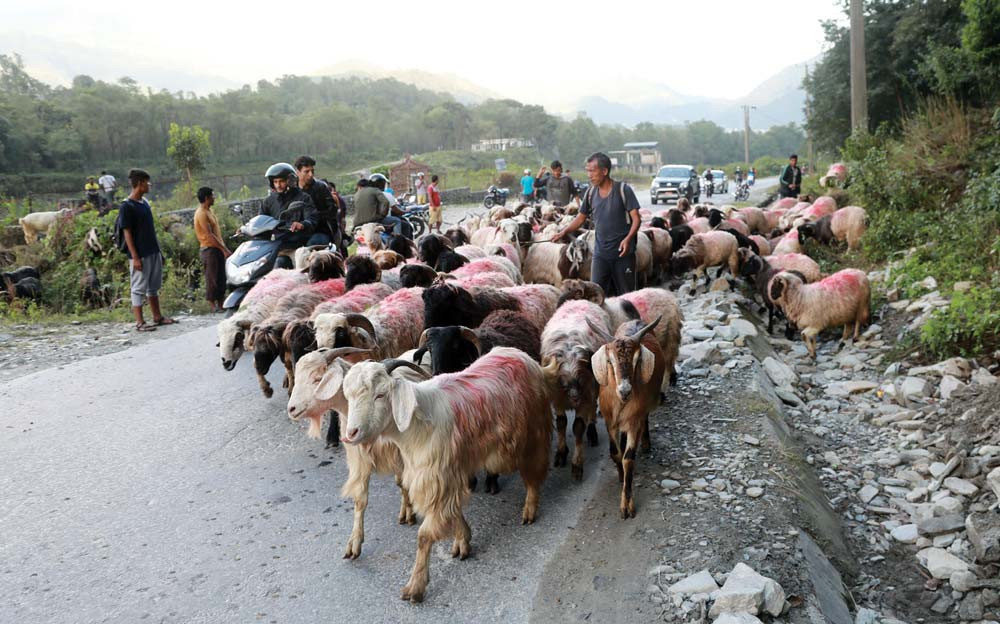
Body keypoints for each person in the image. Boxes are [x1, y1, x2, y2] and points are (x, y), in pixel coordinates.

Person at [551, 152, 640, 297]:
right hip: (600, 255)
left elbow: (636, 219)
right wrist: (564, 231)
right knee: (595, 294)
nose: (589, 175)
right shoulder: (591, 193)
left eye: (592, 171)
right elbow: (580, 218)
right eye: (587, 171)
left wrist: (628, 239)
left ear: (604, 171)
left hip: (623, 255)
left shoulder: (623, 190)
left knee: (627, 297)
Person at [118, 169, 175, 331]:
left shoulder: (145, 203)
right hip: (140, 254)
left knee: (153, 286)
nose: (149, 185)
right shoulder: (127, 206)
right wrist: (135, 257)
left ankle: (157, 317)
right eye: (147, 182)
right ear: (140, 183)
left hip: (152, 251)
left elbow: (150, 230)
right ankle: (140, 322)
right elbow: (127, 233)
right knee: (138, 287)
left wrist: (159, 251)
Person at [256, 162, 318, 264]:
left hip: (299, 246)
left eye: (281, 181)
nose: (278, 185)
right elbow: (261, 221)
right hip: (279, 247)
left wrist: (302, 225)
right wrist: (247, 229)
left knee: (297, 264)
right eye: (275, 182)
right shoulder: (268, 201)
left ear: (290, 181)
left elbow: (312, 219)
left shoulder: (303, 198)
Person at [194, 186, 231, 313]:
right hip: (209, 249)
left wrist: (222, 248)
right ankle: (212, 305)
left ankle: (221, 304)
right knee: (212, 277)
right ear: (206, 198)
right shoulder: (201, 213)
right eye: (212, 196)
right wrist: (224, 249)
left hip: (217, 248)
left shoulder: (209, 211)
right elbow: (209, 235)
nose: (214, 198)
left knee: (221, 277)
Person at [294, 156, 335, 247]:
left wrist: (314, 217)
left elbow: (332, 210)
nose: (311, 174)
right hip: (297, 234)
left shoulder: (321, 187)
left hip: (320, 231)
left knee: (312, 246)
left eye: (312, 171)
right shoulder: (292, 190)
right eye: (306, 171)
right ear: (298, 172)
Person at [365, 173, 413, 238]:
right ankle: (398, 241)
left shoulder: (367, 196)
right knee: (403, 224)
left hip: (368, 221)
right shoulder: (386, 195)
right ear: (381, 184)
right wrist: (405, 211)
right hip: (381, 221)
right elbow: (396, 210)